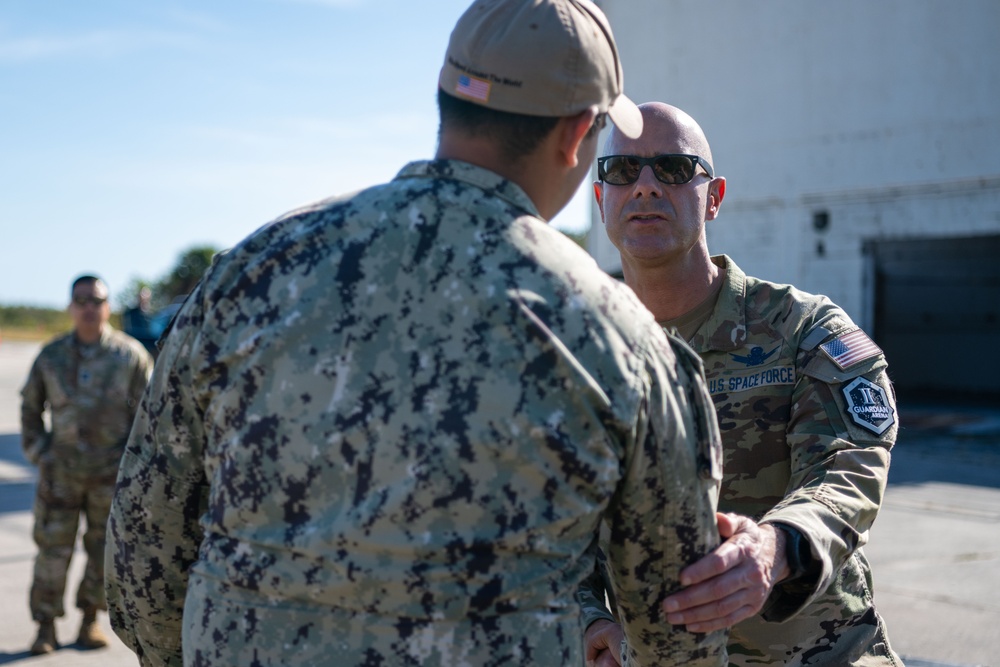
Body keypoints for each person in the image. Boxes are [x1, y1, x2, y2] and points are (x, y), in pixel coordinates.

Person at [103, 3, 727, 666]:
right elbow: (677, 624)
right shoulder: (619, 335)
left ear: (446, 98)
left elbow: (142, 566)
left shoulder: (255, 271)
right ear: (576, 137)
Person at [582, 102, 902, 666]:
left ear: (714, 197)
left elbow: (848, 467)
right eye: (623, 171)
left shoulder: (802, 329)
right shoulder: (577, 354)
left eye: (675, 169)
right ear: (601, 197)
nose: (648, 187)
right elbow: (552, 518)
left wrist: (775, 548)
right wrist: (587, 619)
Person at [20, 275, 154, 655]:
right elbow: (31, 407)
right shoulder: (52, 355)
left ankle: (90, 621)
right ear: (71, 307)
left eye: (96, 300)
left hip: (110, 475)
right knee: (52, 549)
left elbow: (151, 416)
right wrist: (39, 453)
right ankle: (45, 626)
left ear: (108, 306)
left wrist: (135, 467)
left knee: (103, 550)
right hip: (59, 473)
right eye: (81, 300)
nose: (89, 307)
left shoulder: (130, 356)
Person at [121, 286, 159, 358]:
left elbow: (154, 331)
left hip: (149, 347)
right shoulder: (131, 313)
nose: (143, 297)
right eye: (141, 295)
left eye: (146, 295)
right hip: (134, 346)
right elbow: (127, 329)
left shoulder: (151, 315)